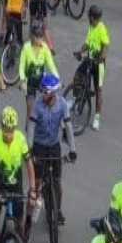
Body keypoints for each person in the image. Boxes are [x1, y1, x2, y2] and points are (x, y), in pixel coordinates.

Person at [29, 73, 77, 228]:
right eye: (42, 91)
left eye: (46, 92)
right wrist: (29, 148)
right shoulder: (37, 104)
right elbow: (31, 127)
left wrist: (72, 149)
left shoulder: (62, 104)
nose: (43, 95)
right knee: (37, 183)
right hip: (39, 145)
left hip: (54, 145)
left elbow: (68, 127)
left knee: (57, 181)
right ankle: (30, 215)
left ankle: (58, 210)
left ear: (54, 92)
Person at [0, 106, 36, 240]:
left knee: (19, 226)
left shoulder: (20, 138)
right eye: (6, 130)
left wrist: (32, 188)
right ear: (1, 127)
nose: (8, 134)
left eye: (11, 131)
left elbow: (29, 163)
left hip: (16, 186)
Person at [18, 21, 59, 131]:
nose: (40, 40)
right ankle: (28, 127)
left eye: (41, 37)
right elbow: (21, 67)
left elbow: (51, 64)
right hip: (29, 81)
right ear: (32, 36)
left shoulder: (44, 47)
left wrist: (58, 79)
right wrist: (22, 81)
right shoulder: (26, 48)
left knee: (49, 101)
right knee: (30, 106)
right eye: (37, 37)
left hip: (41, 80)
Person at [80, 5, 109, 131]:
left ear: (94, 17)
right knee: (79, 77)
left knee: (98, 90)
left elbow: (105, 45)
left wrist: (101, 58)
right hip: (90, 59)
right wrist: (80, 51)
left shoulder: (101, 28)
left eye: (90, 16)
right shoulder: (91, 27)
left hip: (98, 63)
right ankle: (77, 99)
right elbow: (87, 43)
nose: (88, 18)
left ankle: (97, 117)